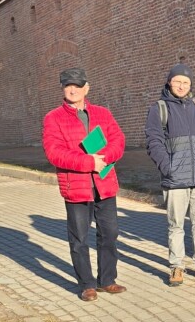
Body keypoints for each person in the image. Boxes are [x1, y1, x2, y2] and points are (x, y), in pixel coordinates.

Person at [43, 68, 127, 302]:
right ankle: (87, 284)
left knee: (110, 233)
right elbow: (54, 152)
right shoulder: (53, 118)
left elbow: (118, 140)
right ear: (62, 88)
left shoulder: (102, 113)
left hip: (104, 184)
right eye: (68, 85)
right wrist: (89, 162)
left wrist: (104, 159)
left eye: (77, 86)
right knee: (79, 238)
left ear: (86, 88)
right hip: (76, 187)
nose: (72, 89)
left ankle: (107, 280)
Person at [144, 63, 195, 286]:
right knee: (176, 225)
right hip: (175, 178)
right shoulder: (159, 108)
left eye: (185, 82)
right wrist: (167, 166)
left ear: (190, 85)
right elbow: (153, 141)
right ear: (169, 82)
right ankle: (176, 267)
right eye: (177, 81)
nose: (181, 85)